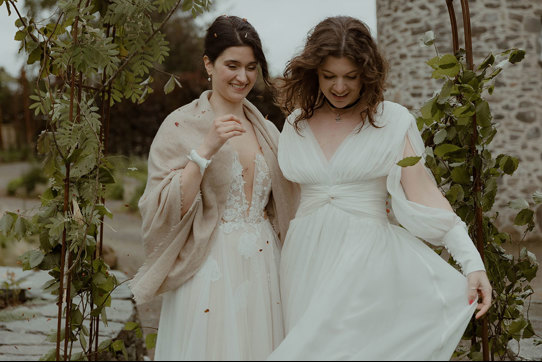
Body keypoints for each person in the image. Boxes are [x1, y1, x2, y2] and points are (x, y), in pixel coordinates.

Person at [268, 16, 492, 360]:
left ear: (367, 74)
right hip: (303, 261)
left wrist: (471, 262)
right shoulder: (296, 124)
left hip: (367, 263)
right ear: (314, 73)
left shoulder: (392, 120)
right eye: (329, 76)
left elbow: (426, 195)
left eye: (350, 77)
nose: (339, 87)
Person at [129, 15, 297, 360]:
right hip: (211, 263)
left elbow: (289, 194)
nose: (243, 77)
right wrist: (205, 150)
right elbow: (166, 208)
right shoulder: (180, 125)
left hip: (265, 263)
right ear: (209, 63)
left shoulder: (266, 129)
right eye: (232, 65)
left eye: (252, 67)